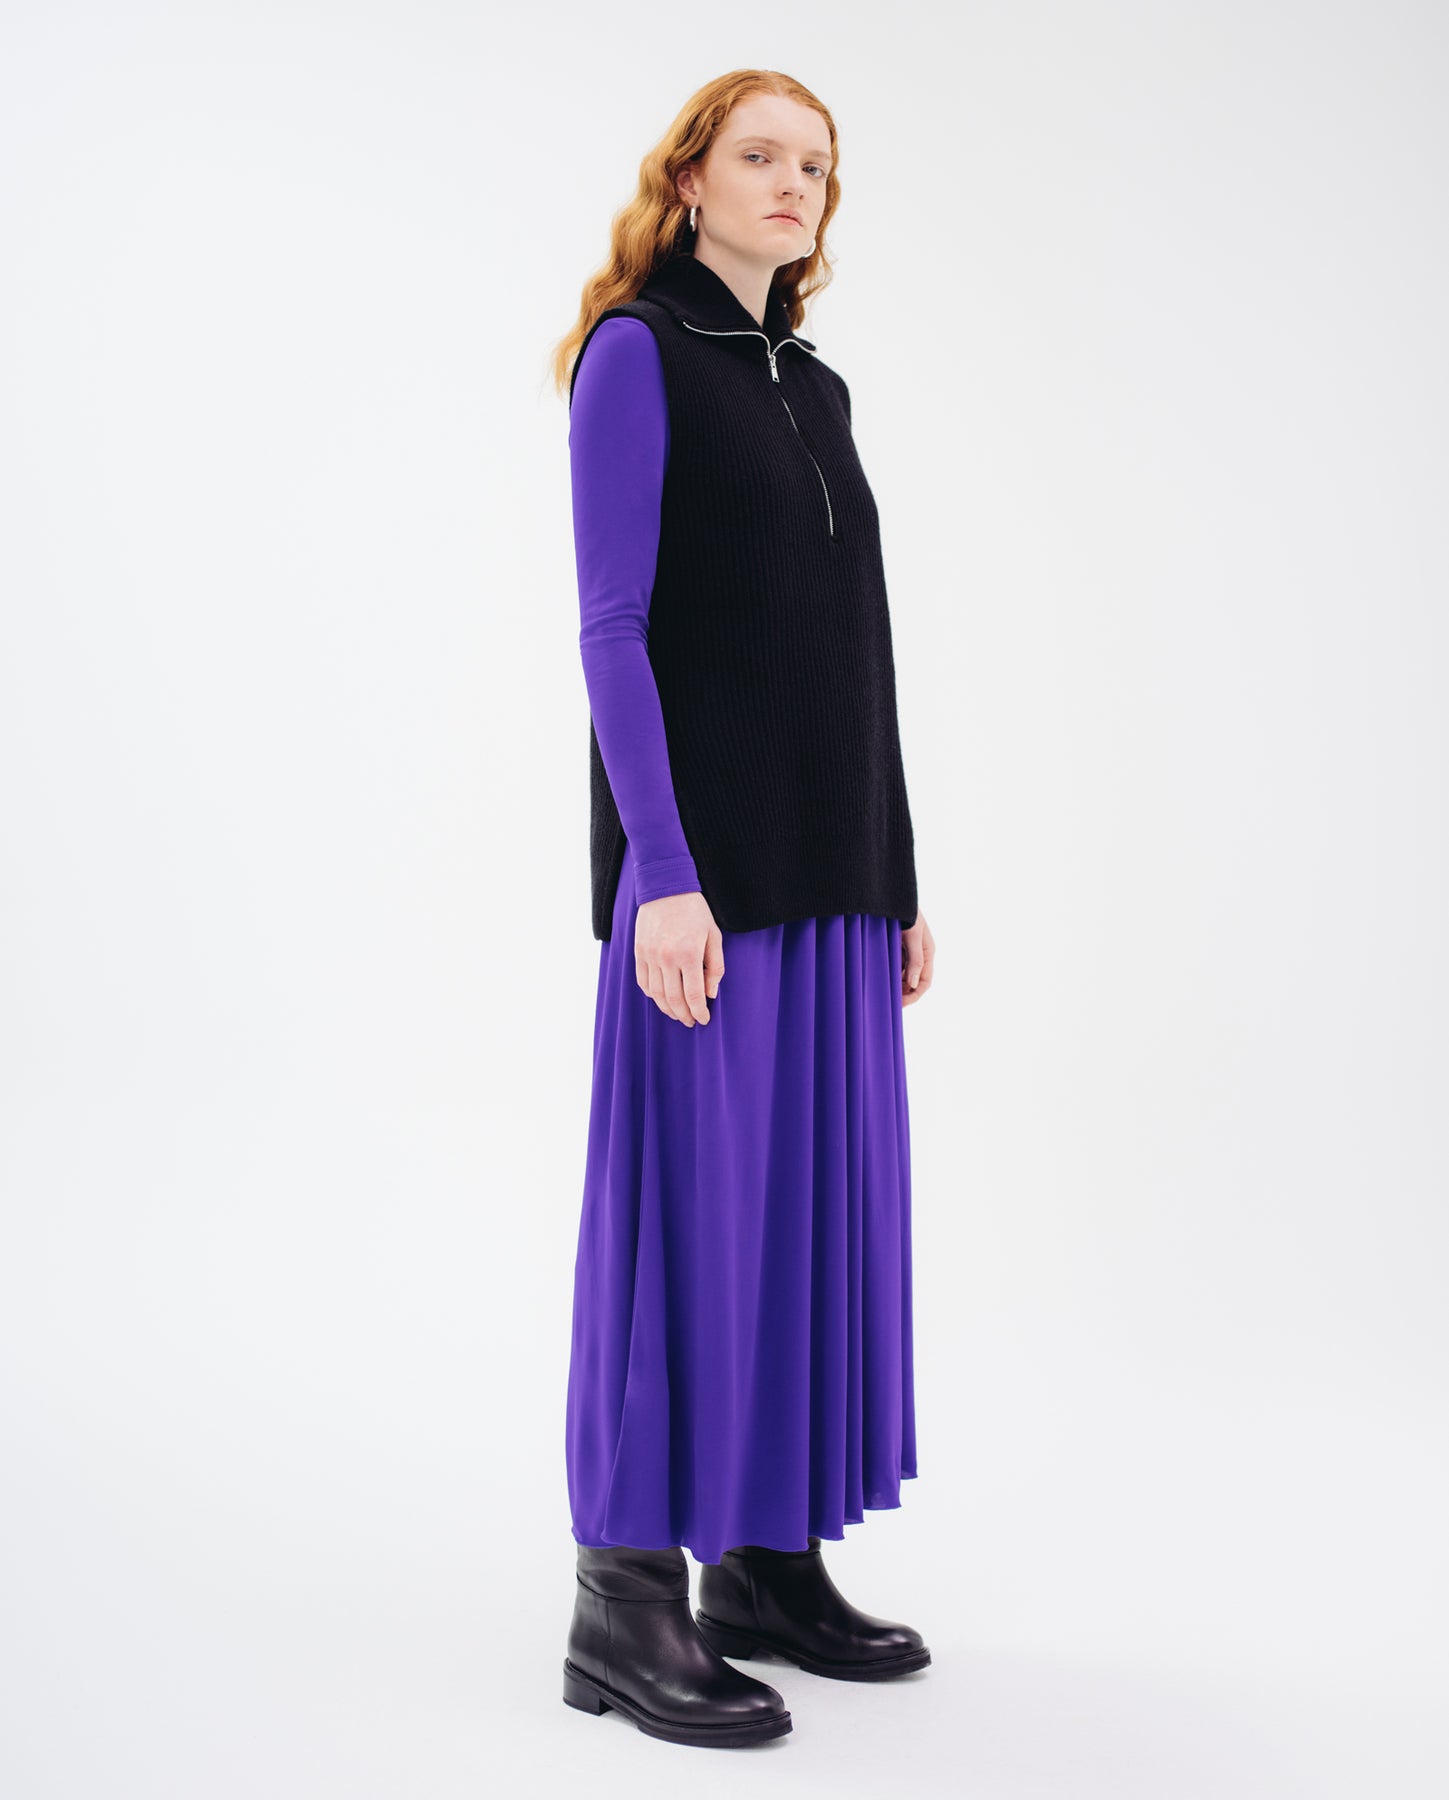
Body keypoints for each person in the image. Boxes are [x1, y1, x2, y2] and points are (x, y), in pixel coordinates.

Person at [549, 69, 937, 1749]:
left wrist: (895, 878)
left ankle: (766, 1567)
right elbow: (612, 629)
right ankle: (623, 1597)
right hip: (704, 890)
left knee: (804, 1226)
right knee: (687, 1230)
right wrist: (663, 872)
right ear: (690, 179)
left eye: (815, 166)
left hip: (831, 885)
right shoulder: (636, 354)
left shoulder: (815, 385)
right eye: (760, 156)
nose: (793, 184)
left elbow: (859, 652)